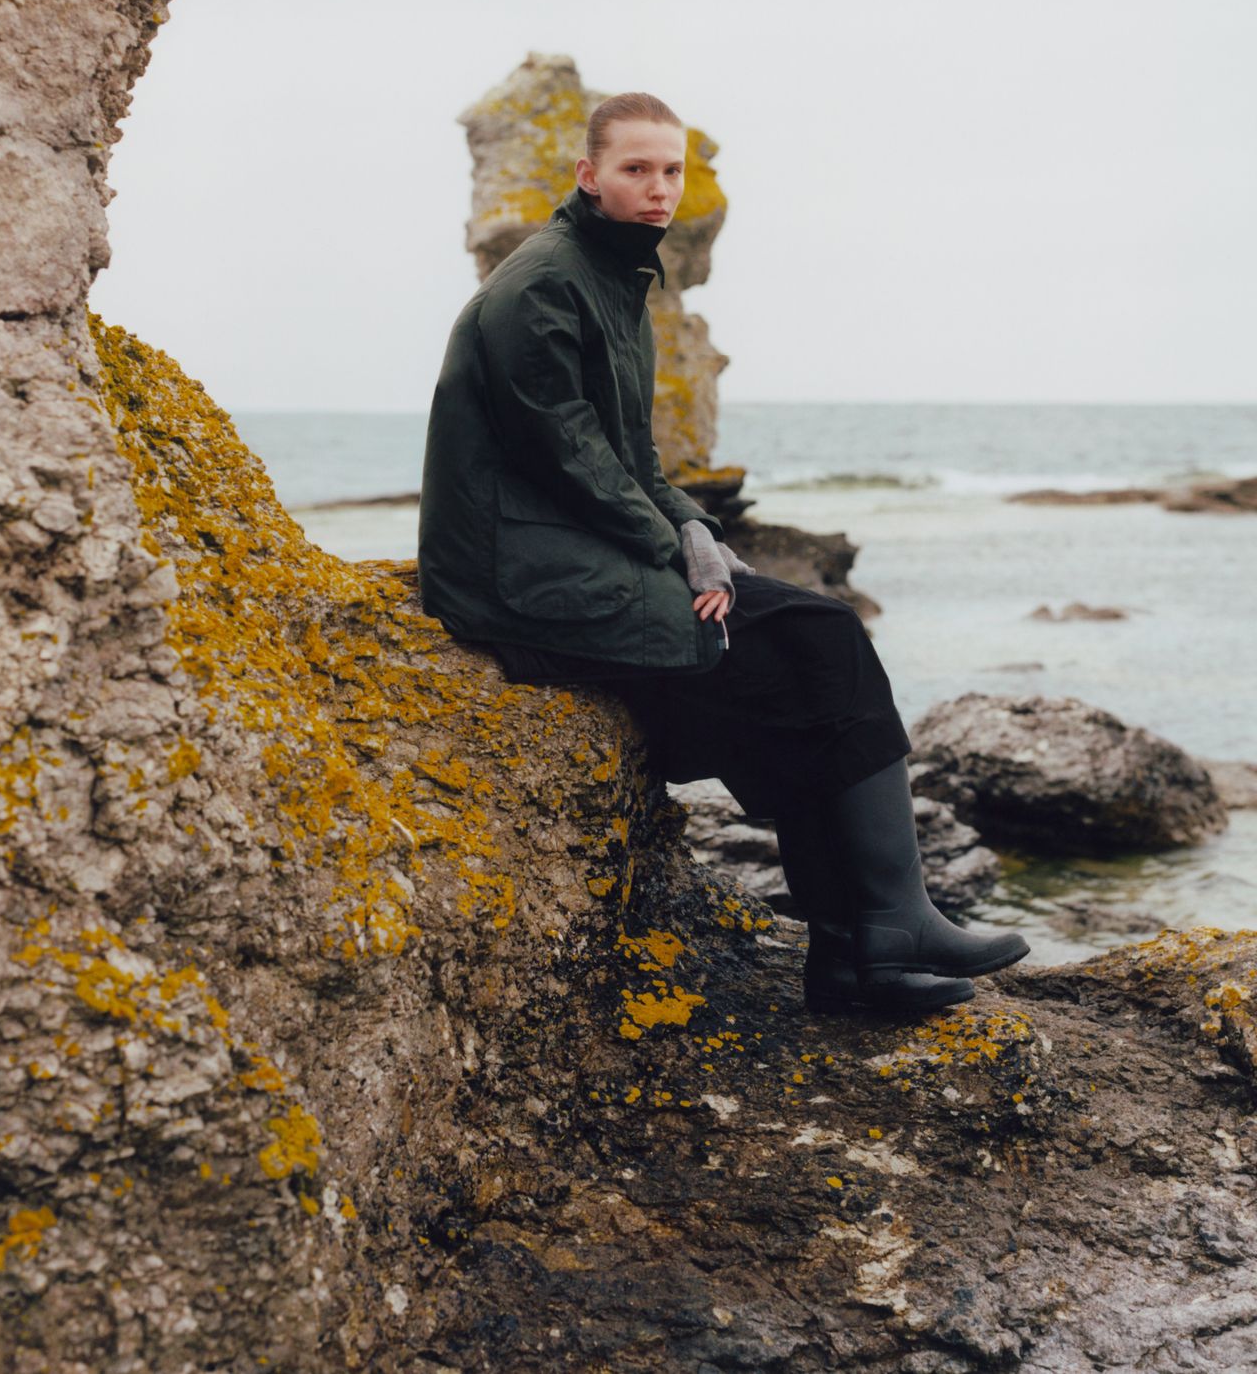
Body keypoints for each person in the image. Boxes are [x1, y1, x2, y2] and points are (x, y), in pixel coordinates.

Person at [418, 91, 1029, 1015]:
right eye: (636, 169)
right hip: (517, 574)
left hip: (574, 542)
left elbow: (634, 460)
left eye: (670, 171)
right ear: (589, 175)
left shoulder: (616, 278)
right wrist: (676, 547)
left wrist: (696, 531)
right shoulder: (542, 285)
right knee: (793, 653)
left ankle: (864, 951)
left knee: (821, 635)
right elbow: (570, 456)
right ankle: (879, 937)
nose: (658, 188)